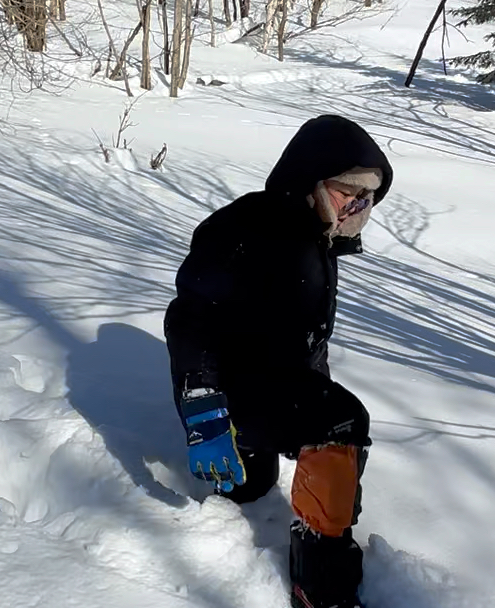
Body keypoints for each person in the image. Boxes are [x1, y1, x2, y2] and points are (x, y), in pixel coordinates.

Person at [164, 114, 393, 608]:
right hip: (232, 392)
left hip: (277, 385)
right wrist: (204, 412)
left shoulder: (318, 239)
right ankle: (321, 586)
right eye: (347, 191)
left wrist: (316, 393)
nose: (355, 206)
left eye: (366, 198)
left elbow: (309, 338)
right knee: (338, 423)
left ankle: (320, 557)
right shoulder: (247, 228)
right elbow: (191, 319)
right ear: (309, 178)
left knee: (274, 470)